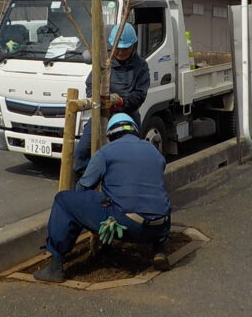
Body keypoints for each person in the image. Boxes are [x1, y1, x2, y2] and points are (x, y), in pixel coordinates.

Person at [34, 113, 172, 283]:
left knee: (64, 200)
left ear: (111, 136)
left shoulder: (106, 152)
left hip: (129, 224)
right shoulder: (153, 150)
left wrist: (87, 216)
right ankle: (159, 250)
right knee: (155, 198)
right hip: (161, 225)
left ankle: (55, 266)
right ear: (135, 131)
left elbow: (83, 187)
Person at [73, 22, 150, 175]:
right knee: (80, 153)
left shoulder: (141, 66)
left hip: (128, 117)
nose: (121, 53)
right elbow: (91, 85)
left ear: (134, 45)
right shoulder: (104, 62)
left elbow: (140, 95)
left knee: (129, 158)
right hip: (101, 114)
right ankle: (85, 188)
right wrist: (99, 99)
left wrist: (121, 101)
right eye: (118, 49)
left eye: (125, 49)